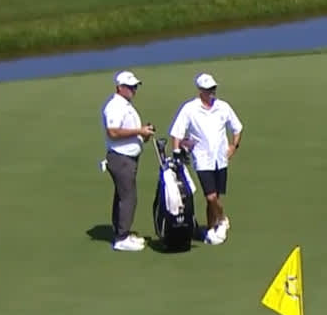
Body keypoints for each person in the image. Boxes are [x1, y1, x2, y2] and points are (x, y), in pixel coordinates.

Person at [168, 72, 243, 245]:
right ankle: (223, 219)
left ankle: (210, 229)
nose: (212, 92)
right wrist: (177, 151)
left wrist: (234, 146)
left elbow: (237, 128)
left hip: (221, 159)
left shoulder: (223, 107)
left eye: (213, 88)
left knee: (215, 196)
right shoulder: (190, 109)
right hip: (202, 160)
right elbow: (177, 133)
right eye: (208, 89)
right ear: (200, 90)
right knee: (210, 197)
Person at [100, 70, 155, 252]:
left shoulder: (125, 104)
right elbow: (113, 132)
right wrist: (139, 132)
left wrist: (143, 132)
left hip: (127, 157)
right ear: (120, 87)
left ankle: (120, 231)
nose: (134, 90)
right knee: (128, 197)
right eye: (130, 87)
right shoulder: (115, 106)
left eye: (135, 86)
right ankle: (122, 238)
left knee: (122, 196)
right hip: (120, 158)